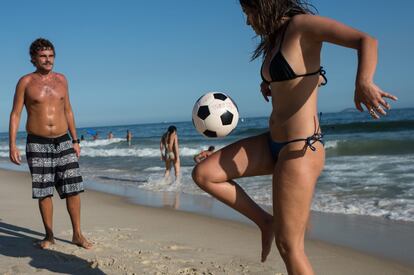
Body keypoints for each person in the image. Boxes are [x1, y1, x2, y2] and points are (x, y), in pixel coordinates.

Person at [192, 1, 397, 274]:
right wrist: (270, 84)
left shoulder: (302, 26)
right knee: (205, 173)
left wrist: (364, 82)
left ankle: (272, 228)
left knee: (289, 246)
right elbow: (290, 76)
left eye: (248, 12)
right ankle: (265, 222)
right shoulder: (275, 38)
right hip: (272, 142)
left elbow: (366, 40)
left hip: (300, 149)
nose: (247, 21)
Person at [9, 38, 92, 250]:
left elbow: (68, 110)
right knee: (44, 191)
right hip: (37, 142)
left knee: (73, 189)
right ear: (33, 59)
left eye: (51, 56)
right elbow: (16, 114)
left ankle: (77, 235)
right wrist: (12, 145)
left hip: (63, 140)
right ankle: (49, 235)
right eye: (43, 56)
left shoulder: (63, 80)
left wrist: (75, 140)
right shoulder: (25, 82)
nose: (48, 60)